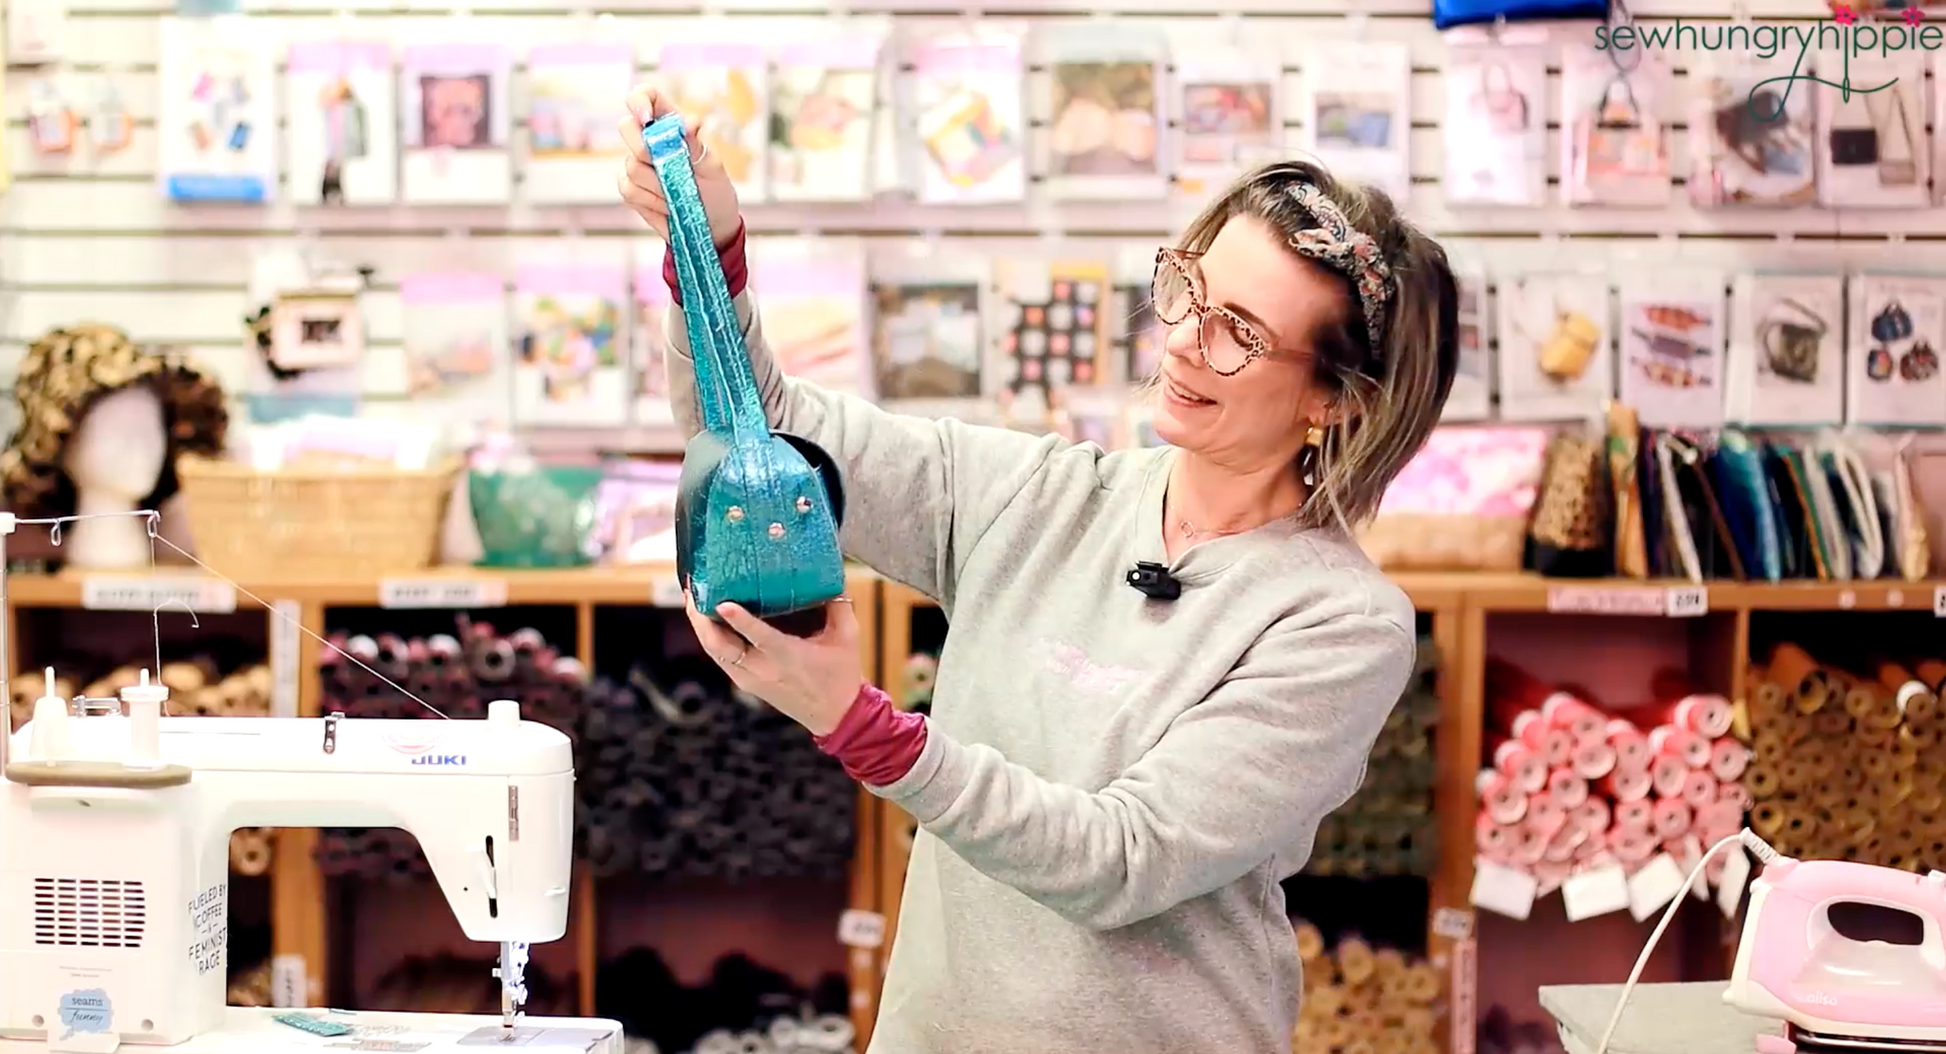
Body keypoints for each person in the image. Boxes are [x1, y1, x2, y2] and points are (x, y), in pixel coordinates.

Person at [617, 85, 1458, 1054]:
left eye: (1237, 331)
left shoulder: (1337, 622)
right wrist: (708, 251)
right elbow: (759, 432)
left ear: (1333, 402)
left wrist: (861, 726)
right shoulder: (1034, 493)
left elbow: (1121, 859)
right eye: (1184, 287)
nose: (1180, 339)